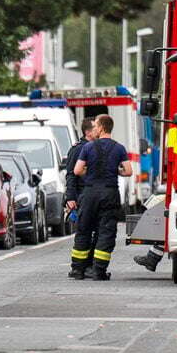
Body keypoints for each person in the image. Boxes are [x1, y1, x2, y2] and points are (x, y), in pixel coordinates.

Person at [69, 114, 132, 280]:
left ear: (102, 127)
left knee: (83, 229)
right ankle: (99, 270)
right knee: (106, 231)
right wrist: (115, 171)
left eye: (96, 126)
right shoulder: (119, 148)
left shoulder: (88, 147)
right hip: (110, 193)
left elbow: (77, 170)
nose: (94, 129)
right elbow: (128, 171)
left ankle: (77, 270)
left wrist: (89, 171)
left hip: (90, 193)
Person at [62, 117, 95, 260]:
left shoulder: (95, 147)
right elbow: (71, 174)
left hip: (91, 195)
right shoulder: (79, 149)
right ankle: (82, 265)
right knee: (85, 231)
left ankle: (86, 264)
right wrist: (70, 197)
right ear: (88, 132)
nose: (99, 130)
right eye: (95, 128)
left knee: (92, 231)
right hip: (82, 195)